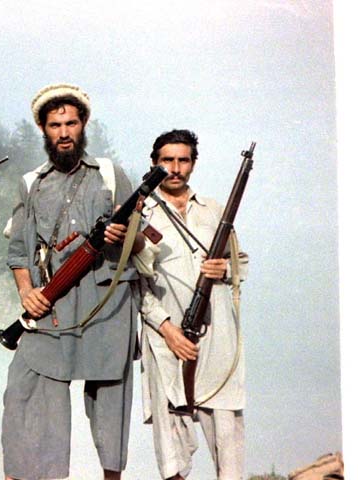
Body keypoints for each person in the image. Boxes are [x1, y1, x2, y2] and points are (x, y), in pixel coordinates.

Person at [2, 83, 145, 480]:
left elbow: (142, 240)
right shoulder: (32, 183)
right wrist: (28, 293)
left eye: (71, 123)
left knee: (110, 406)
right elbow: (18, 250)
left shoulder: (111, 176)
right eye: (54, 125)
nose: (63, 132)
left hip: (106, 304)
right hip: (54, 302)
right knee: (25, 393)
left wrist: (123, 236)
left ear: (83, 125)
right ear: (43, 130)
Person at [133, 129, 248, 480]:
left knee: (227, 437)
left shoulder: (213, 210)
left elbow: (241, 262)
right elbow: (136, 286)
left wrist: (225, 268)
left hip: (217, 337)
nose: (175, 168)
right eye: (167, 160)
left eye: (183, 160)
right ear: (155, 163)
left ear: (193, 164)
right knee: (172, 448)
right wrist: (167, 331)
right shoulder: (139, 214)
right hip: (166, 340)